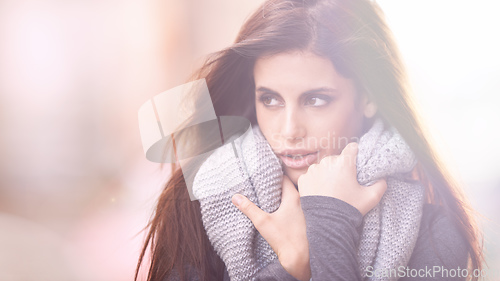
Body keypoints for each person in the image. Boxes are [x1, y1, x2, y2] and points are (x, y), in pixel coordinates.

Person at [134, 0, 484, 280]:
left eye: (316, 100)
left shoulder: (434, 233)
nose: (289, 130)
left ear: (368, 96)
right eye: (270, 99)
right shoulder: (203, 201)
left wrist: (329, 226)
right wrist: (289, 268)